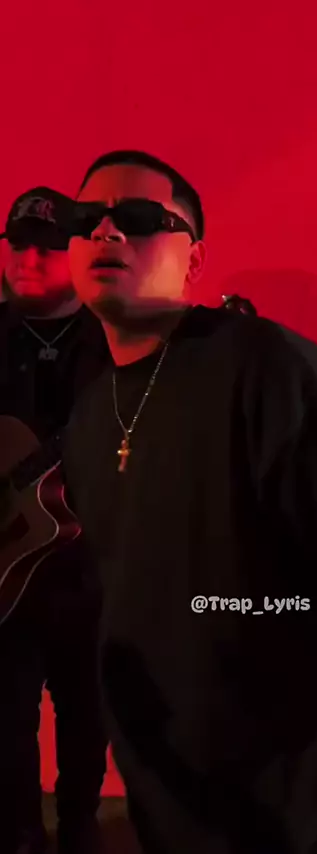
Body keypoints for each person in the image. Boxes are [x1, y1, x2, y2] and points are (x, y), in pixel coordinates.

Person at [64, 149, 317, 854]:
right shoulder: (88, 413)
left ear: (194, 260)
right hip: (165, 782)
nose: (107, 232)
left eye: (139, 217)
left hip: (287, 794)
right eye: (87, 219)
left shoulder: (264, 365)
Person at [0, 187, 109, 854]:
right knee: (5, 721)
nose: (27, 259)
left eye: (45, 247)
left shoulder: (120, 346)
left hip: (88, 569)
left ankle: (79, 827)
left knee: (87, 712)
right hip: (5, 577)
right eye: (17, 245)